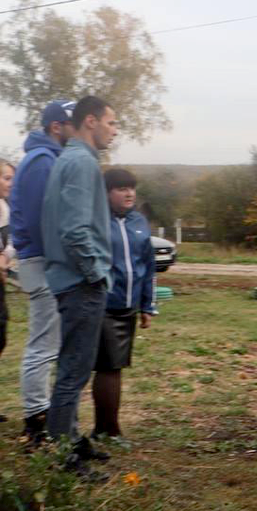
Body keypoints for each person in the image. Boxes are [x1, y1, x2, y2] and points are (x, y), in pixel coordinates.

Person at [41, 96, 118, 466]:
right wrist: (95, 273)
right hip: (79, 283)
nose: (114, 131)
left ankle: (70, 438)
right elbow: (74, 231)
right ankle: (62, 458)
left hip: (71, 280)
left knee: (74, 366)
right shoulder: (82, 163)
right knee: (73, 371)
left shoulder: (69, 159)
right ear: (91, 121)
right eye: (111, 123)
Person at [9, 100, 75, 442]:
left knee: (49, 341)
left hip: (43, 260)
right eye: (71, 124)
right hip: (42, 261)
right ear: (56, 126)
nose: (75, 130)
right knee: (43, 344)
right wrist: (59, 259)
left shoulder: (46, 158)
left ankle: (41, 412)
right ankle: (36, 419)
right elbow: (38, 220)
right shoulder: (41, 161)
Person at [93, 168, 156, 446]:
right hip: (105, 304)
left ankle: (103, 428)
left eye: (131, 188)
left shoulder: (139, 221)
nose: (129, 193)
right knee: (110, 367)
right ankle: (109, 429)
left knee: (114, 366)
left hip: (130, 306)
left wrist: (147, 305)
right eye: (121, 188)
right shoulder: (97, 222)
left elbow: (148, 265)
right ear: (106, 193)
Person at [0, 159, 16, 423]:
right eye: (6, 178)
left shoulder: (6, 208)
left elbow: (12, 241)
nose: (10, 184)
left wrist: (5, 257)